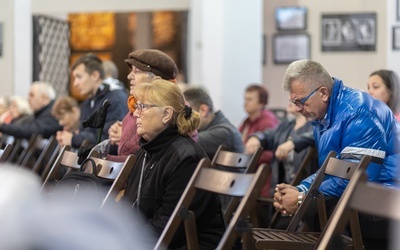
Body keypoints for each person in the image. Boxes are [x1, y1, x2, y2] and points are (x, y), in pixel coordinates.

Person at [248, 59, 399, 249]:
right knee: (315, 209)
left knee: (316, 209)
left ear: (323, 93)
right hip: (365, 201)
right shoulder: (322, 116)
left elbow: (358, 179)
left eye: (300, 101)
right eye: (294, 102)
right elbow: (329, 171)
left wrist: (302, 198)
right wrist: (300, 190)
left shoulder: (360, 112)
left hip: (387, 203)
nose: (297, 108)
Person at [123, 79, 225, 249]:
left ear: (166, 114)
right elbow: (130, 205)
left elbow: (168, 224)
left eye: (143, 107)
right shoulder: (146, 151)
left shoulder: (186, 159)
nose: (135, 114)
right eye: (136, 107)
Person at [107, 49, 195, 162]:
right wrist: (119, 136)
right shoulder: (135, 104)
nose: (129, 76)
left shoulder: (174, 110)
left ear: (156, 80)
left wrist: (103, 158)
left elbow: (146, 162)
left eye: (137, 71)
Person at [56, 53, 128, 149]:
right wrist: (69, 136)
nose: (75, 83)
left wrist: (74, 139)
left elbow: (109, 141)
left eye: (79, 77)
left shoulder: (115, 99)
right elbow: (87, 132)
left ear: (95, 75)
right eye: (74, 78)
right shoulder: (88, 102)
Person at [239, 84, 280, 201]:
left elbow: (271, 154)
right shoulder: (246, 121)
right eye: (245, 99)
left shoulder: (268, 121)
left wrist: (248, 157)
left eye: (250, 99)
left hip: (261, 179)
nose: (245, 103)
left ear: (261, 103)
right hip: (247, 173)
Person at [183, 87, 244, 159]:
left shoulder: (224, 132)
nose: (183, 120)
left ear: (203, 110)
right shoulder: (209, 128)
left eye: (186, 114)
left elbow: (182, 145)